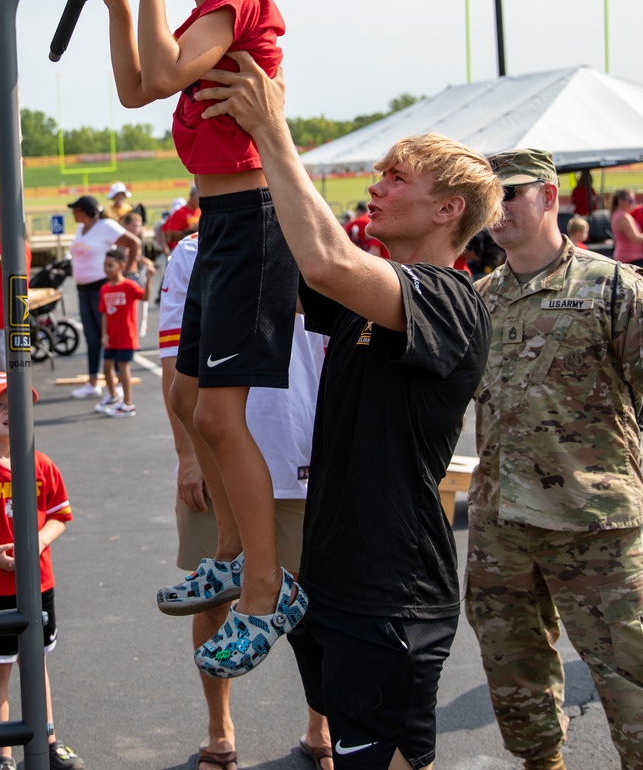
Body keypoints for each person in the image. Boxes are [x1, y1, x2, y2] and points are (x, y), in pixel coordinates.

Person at [192, 52, 504, 766]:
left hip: (391, 592)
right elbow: (298, 266)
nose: (375, 187)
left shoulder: (450, 300)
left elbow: (328, 261)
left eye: (397, 180)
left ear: (449, 209)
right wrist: (232, 163)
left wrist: (275, 133)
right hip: (331, 581)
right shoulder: (373, 298)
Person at [90, 0, 301, 658]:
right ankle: (229, 555)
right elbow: (139, 86)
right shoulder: (213, 6)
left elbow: (168, 70)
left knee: (220, 413)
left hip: (253, 217)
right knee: (183, 394)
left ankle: (265, 589)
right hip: (220, 224)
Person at [467, 148, 643, 770]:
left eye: (513, 195)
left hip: (594, 525)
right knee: (515, 680)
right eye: (489, 200)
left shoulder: (614, 289)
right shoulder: (479, 300)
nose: (499, 211)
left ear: (551, 197)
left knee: (636, 680)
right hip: (501, 526)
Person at [157, 231, 332, 770]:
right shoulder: (193, 252)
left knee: (319, 609)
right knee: (211, 602)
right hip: (223, 464)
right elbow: (175, 367)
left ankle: (320, 726)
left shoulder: (316, 240)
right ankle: (220, 725)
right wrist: (188, 457)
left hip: (304, 455)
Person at [0, 373, 85, 770]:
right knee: (0, 669)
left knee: (35, 663)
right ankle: (2, 753)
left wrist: (36, 544)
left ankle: (48, 741)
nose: (10, 412)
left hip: (37, 584)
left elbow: (60, 516)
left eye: (17, 404)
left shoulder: (40, 464)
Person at [67, 195, 140, 400]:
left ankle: (116, 390)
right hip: (83, 290)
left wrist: (124, 273)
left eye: (76, 209)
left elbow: (133, 243)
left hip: (101, 287)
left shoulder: (105, 225)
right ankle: (93, 382)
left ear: (86, 211)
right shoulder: (81, 229)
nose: (73, 213)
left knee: (110, 336)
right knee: (92, 338)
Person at [97, 247, 144, 418]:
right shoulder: (104, 289)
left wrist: (150, 278)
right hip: (112, 337)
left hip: (126, 336)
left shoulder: (129, 286)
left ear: (121, 266)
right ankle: (114, 396)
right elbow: (104, 314)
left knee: (123, 369)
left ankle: (128, 404)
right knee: (107, 367)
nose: (107, 269)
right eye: (105, 265)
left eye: (111, 265)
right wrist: (104, 334)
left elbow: (145, 297)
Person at [0, 205, 32, 374]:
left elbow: (18, 272)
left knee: (7, 370)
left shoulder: (18, 245)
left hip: (6, 317)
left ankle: (10, 401)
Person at [162, 185, 201, 250]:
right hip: (182, 251)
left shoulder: (200, 211)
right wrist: (190, 230)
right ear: (191, 195)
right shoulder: (179, 213)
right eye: (198, 198)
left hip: (197, 250)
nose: (200, 201)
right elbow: (170, 237)